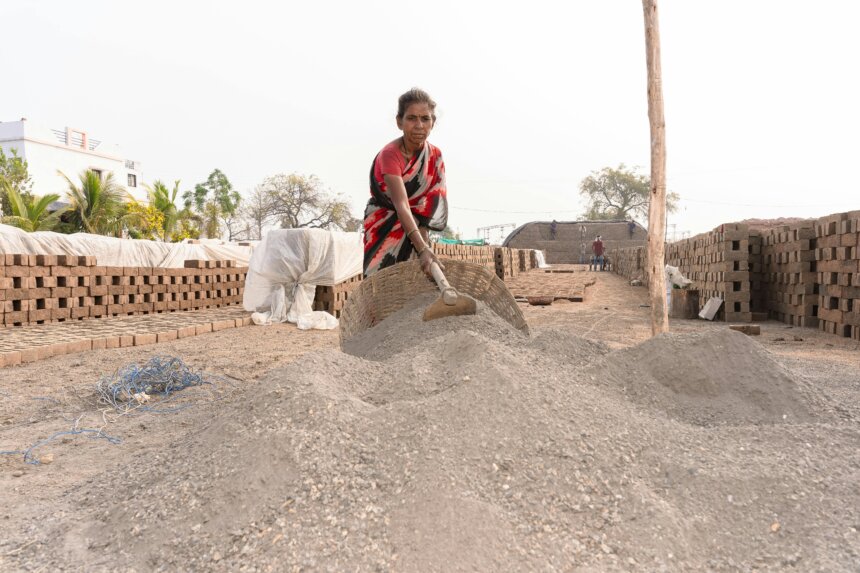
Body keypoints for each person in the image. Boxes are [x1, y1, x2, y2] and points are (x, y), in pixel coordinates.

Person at [363, 88, 447, 277]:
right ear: (399, 122)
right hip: (384, 229)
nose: (419, 125)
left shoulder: (435, 156)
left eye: (425, 119)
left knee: (417, 284)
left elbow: (426, 208)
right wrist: (422, 248)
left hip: (417, 230)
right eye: (411, 118)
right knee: (382, 283)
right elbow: (402, 205)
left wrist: (424, 247)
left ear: (433, 123)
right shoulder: (390, 155)